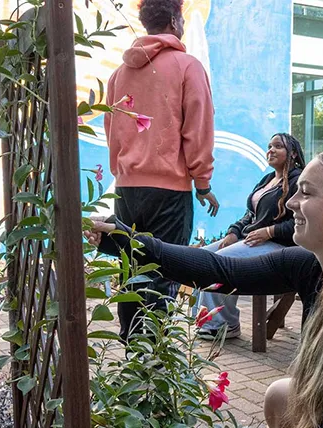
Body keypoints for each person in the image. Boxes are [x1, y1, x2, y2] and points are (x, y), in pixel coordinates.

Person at [86, 149, 323, 428]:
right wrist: (122, 239)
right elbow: (220, 270)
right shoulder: (314, 267)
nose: (292, 203)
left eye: (307, 193)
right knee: (282, 394)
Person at [103, 0, 220, 342]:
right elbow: (198, 128)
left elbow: (112, 131)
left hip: (126, 189)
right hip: (170, 191)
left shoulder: (118, 74)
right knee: (164, 270)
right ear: (173, 20)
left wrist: (123, 172)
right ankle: (153, 360)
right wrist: (203, 182)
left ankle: (131, 349)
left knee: (131, 268)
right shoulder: (187, 67)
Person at [196, 133, 305, 340]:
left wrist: (270, 231)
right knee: (200, 258)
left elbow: (304, 220)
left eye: (277, 146)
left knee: (220, 262)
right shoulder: (267, 180)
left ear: (292, 153)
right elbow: (251, 215)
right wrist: (233, 232)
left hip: (280, 244)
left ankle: (223, 324)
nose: (270, 150)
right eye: (269, 146)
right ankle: (207, 320)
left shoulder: (299, 181)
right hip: (252, 238)